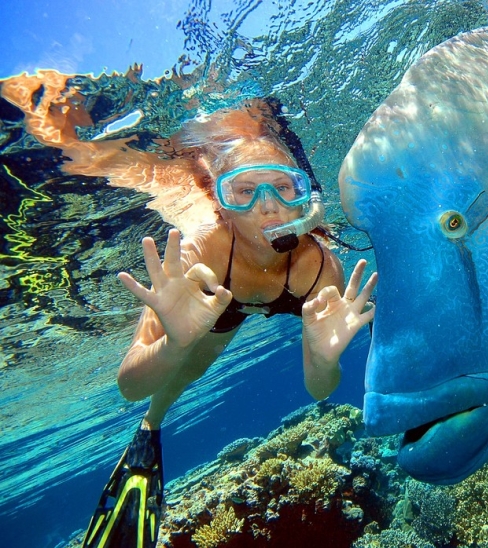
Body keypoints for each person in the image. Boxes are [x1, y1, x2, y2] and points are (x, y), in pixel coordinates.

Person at [1, 73, 376, 547]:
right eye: (244, 191)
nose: (269, 208)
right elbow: (129, 385)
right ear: (221, 201)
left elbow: (320, 390)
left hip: (276, 291)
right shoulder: (202, 251)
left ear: (304, 196)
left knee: (195, 351)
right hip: (216, 297)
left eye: (284, 188)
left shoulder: (318, 266)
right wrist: (175, 343)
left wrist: (323, 359)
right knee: (192, 364)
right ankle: (150, 429)